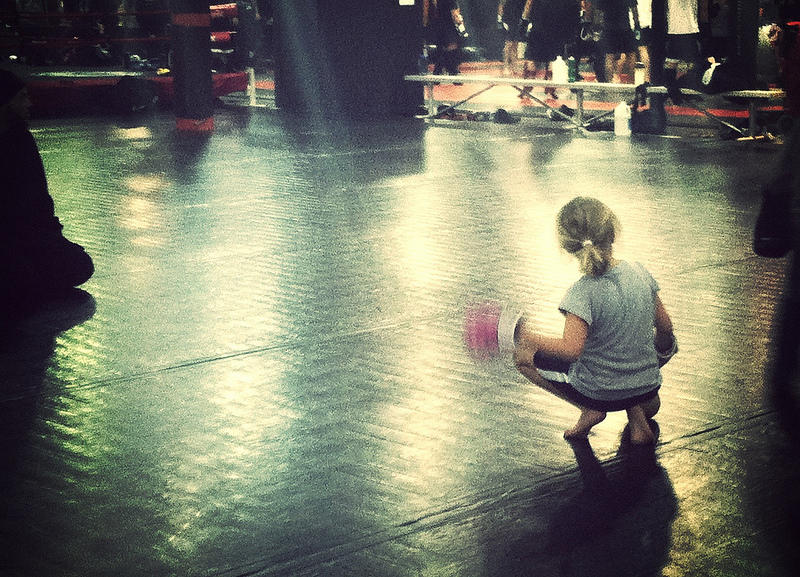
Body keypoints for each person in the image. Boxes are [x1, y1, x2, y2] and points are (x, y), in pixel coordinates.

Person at [512, 197, 676, 445]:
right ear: (612, 232)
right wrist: (647, 365)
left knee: (522, 358)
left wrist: (525, 336)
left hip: (599, 393)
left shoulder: (581, 294)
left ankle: (589, 410)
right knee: (645, 395)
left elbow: (571, 350)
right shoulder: (640, 272)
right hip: (647, 385)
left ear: (567, 246)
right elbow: (665, 329)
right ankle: (638, 419)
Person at [0, 69, 94, 323]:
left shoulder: (21, 140)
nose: (29, 104)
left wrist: (52, 237)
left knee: (80, 265)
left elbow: (41, 201)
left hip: (27, 236)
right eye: (22, 98)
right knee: (19, 273)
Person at [598, 0, 639, 83]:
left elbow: (599, 12)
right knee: (631, 54)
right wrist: (637, 25)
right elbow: (634, 9)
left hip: (608, 27)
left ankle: (609, 82)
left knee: (609, 56)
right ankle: (631, 81)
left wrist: (599, 26)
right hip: (625, 27)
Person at [424, 0, 469, 75]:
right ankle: (452, 70)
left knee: (442, 46)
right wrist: (459, 22)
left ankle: (439, 70)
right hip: (448, 24)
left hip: (438, 24)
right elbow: (454, 12)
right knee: (452, 45)